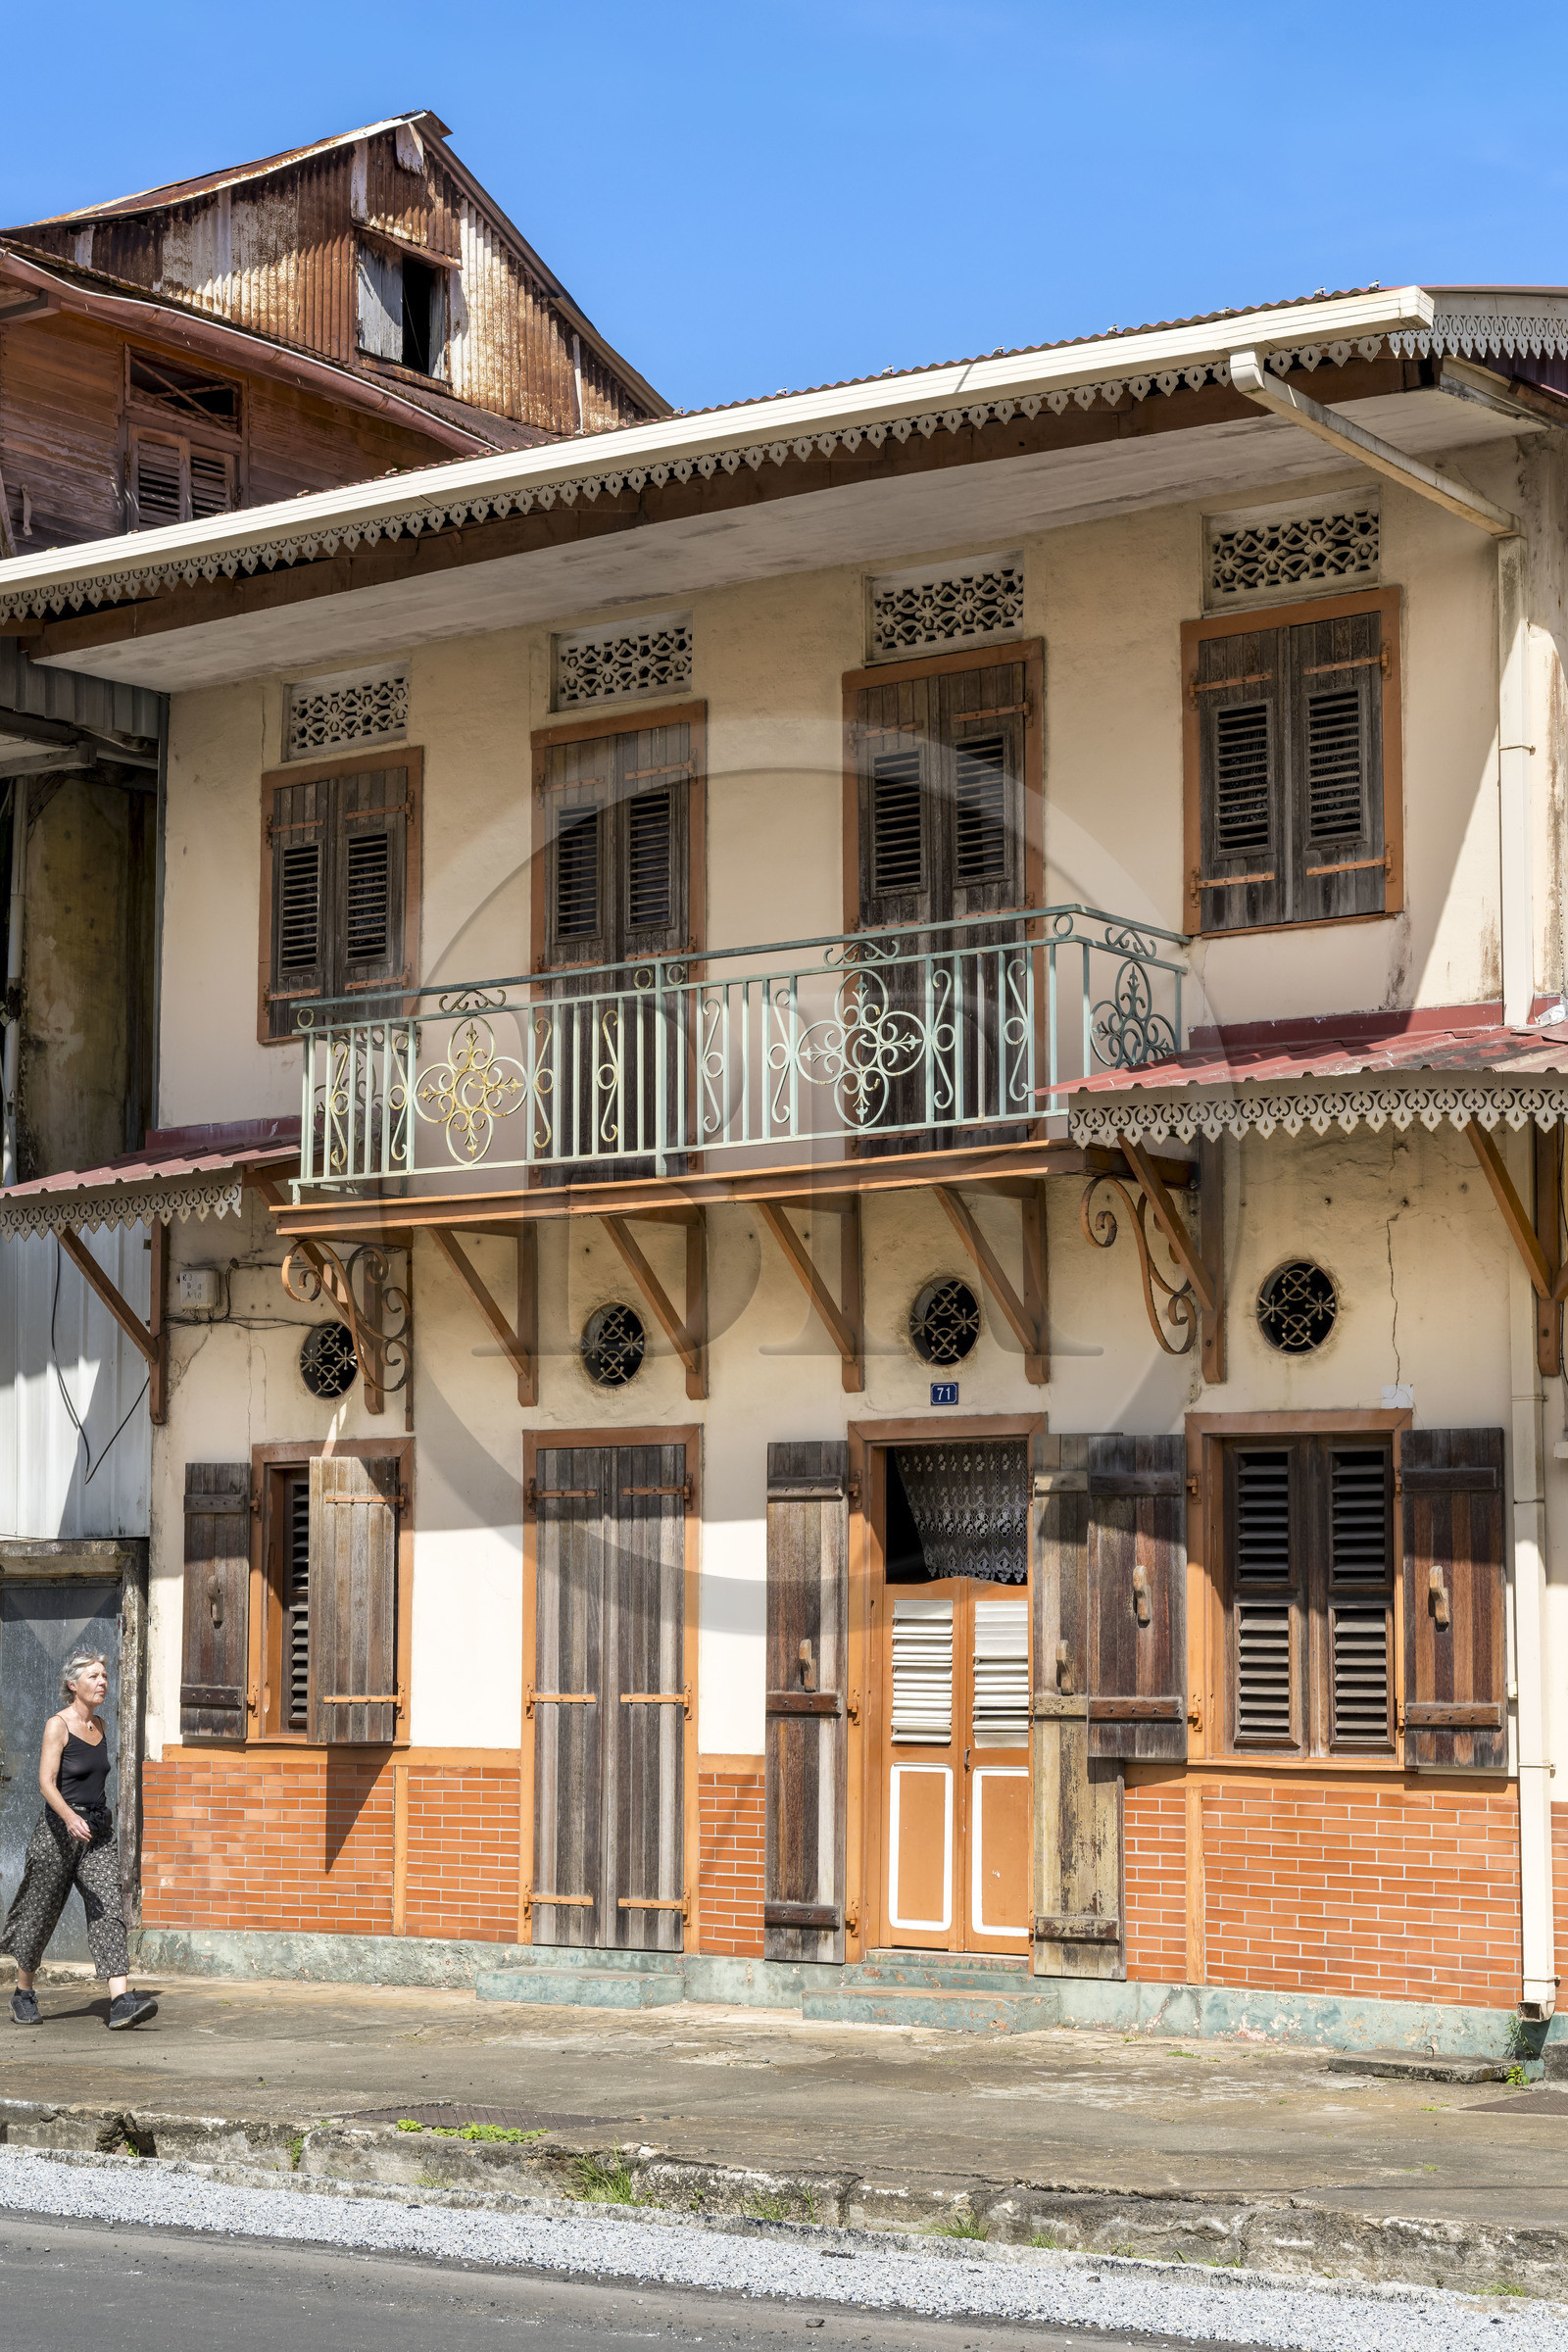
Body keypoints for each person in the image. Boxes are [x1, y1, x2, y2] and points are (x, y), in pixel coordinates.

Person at [1, 1648, 156, 2029]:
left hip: (97, 1834)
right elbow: (45, 1782)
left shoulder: (101, 1725)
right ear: (73, 1685)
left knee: (108, 1909)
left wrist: (94, 1819)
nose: (103, 1682)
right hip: (57, 1832)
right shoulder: (58, 1724)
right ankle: (23, 1992)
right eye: (94, 1677)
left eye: (104, 1676)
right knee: (40, 1912)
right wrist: (69, 1817)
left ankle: (120, 2000)